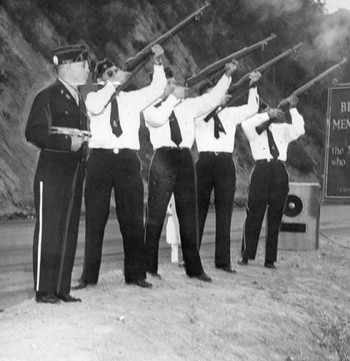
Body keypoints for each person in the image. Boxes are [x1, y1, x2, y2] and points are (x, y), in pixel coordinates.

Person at [73, 44, 166, 290]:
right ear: (99, 78)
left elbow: (157, 90)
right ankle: (88, 277)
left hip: (127, 160)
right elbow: (94, 107)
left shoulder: (131, 98)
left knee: (133, 220)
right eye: (108, 73)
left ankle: (135, 274)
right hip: (100, 160)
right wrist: (113, 84)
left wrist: (157, 63)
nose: (114, 75)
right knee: (95, 219)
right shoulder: (92, 94)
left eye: (116, 71)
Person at [142, 60, 238, 283]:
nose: (175, 86)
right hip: (163, 158)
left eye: (174, 82)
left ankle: (194, 269)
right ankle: (148, 267)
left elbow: (211, 100)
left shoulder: (188, 105)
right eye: (169, 83)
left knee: (189, 216)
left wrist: (226, 76)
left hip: (184, 158)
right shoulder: (150, 107)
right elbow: (157, 120)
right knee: (155, 216)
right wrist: (172, 97)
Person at [25, 44, 91, 303]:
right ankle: (44, 290)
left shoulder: (79, 99)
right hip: (51, 172)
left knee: (68, 229)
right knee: (49, 230)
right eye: (83, 64)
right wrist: (67, 143)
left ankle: (62, 288)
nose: (87, 69)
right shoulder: (48, 96)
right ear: (67, 66)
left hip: (74, 173)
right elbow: (33, 132)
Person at [194, 72, 261, 273]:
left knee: (225, 213)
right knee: (199, 211)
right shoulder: (197, 112)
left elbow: (252, 109)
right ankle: (190, 257)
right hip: (205, 161)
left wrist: (253, 86)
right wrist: (215, 103)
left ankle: (223, 261)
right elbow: (205, 114)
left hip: (224, 162)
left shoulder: (230, 113)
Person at [238, 95, 305, 269]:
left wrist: (293, 108)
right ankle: (246, 255)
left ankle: (270, 259)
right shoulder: (253, 127)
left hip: (279, 171)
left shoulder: (282, 129)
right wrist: (268, 115)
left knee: (276, 216)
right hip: (261, 169)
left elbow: (299, 129)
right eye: (265, 109)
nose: (268, 112)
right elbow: (246, 124)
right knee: (254, 214)